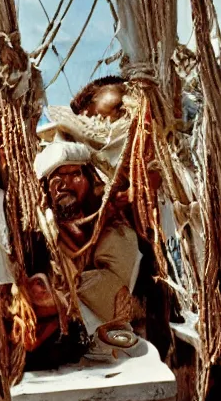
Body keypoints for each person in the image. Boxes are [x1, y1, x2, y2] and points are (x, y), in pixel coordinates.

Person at [35, 141, 146, 345]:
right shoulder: (38, 232)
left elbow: (116, 292)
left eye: (75, 174)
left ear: (88, 180)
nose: (65, 183)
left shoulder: (112, 229)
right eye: (57, 175)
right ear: (45, 185)